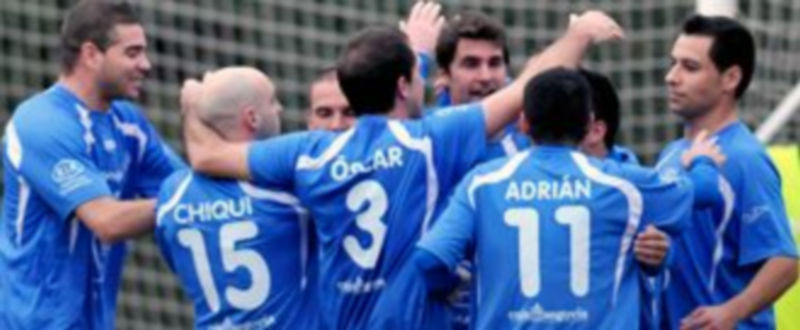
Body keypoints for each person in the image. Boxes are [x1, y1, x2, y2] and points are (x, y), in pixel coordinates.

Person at [181, 8, 624, 329]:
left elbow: (206, 155)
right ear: (402, 85)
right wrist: (579, 34)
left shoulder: (308, 152)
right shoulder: (429, 140)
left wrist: (191, 105)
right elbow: (528, 85)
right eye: (417, 73)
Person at [391, 67, 722, 330]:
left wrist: (457, 285)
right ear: (588, 124)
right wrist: (702, 159)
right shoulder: (622, 184)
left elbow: (429, 261)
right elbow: (705, 191)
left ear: (523, 122)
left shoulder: (483, 182)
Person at [0, 2, 181, 328]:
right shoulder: (41, 122)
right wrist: (188, 200)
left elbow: (186, 186)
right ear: (91, 54)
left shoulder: (129, 125)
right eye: (132, 53)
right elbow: (106, 221)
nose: (146, 65)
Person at [656, 15, 798, 329]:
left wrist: (731, 311)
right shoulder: (670, 154)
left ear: (730, 78)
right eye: (673, 63)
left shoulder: (743, 158)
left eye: (689, 67)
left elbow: (785, 261)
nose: (671, 77)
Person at [155, 67, 317, 329]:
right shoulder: (285, 187)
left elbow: (176, 261)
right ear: (252, 118)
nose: (280, 108)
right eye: (272, 101)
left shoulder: (172, 194)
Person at [431, 11, 531, 159]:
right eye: (471, 64)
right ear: (445, 75)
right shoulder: (430, 142)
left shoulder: (532, 138)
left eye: (494, 63)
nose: (485, 77)